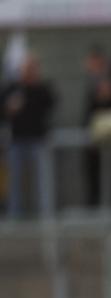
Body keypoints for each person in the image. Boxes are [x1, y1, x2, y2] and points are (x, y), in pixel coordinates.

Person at [1, 55, 56, 218]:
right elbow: (3, 111)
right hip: (16, 140)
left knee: (43, 180)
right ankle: (14, 214)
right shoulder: (12, 88)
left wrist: (35, 86)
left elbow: (50, 104)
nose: (28, 72)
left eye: (31, 68)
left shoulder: (42, 88)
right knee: (15, 181)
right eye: (25, 69)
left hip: (39, 139)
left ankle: (46, 213)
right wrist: (8, 108)